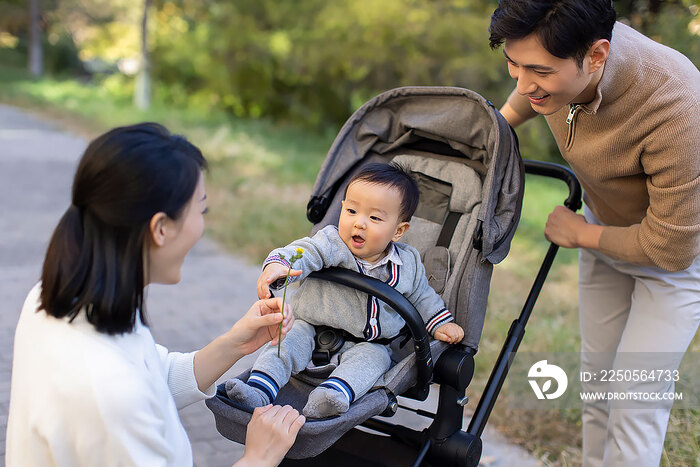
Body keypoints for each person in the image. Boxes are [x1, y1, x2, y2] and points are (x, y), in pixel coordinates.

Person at [6, 123, 305, 466]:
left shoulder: (56, 299)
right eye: (201, 209)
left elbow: (150, 379)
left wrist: (235, 344)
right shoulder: (108, 393)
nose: (202, 226)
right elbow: (128, 395)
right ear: (161, 228)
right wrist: (259, 457)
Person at [489, 1, 700, 466]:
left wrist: (581, 235)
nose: (523, 84)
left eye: (539, 71)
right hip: (605, 231)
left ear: (598, 56)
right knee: (599, 382)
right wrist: (498, 126)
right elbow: (532, 85)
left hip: (679, 255)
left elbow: (670, 247)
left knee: (634, 399)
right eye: (514, 65)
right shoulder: (560, 55)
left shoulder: (677, 105)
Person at [226, 163, 465, 418]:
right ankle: (258, 390)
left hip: (368, 343)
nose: (359, 223)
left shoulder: (408, 265)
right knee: (284, 344)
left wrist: (439, 323)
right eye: (351, 211)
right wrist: (280, 264)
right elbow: (306, 251)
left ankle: (332, 396)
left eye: (374, 218)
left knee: (374, 361)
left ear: (398, 231)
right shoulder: (331, 243)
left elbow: (422, 296)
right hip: (311, 327)